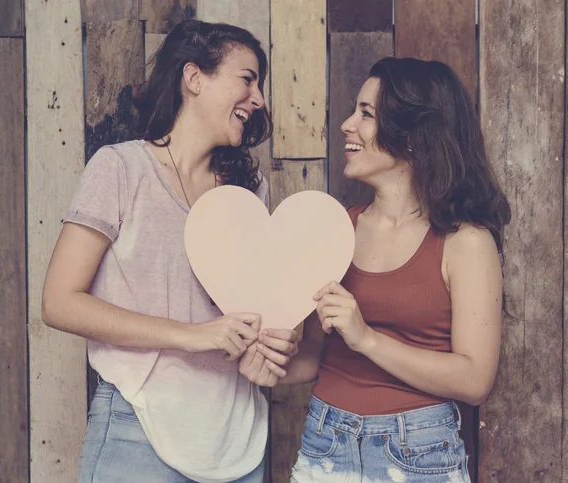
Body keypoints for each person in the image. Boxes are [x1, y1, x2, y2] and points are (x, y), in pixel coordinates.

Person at [42, 19, 298, 483]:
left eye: (260, 85)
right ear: (194, 77)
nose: (258, 98)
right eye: (247, 78)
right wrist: (193, 334)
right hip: (137, 431)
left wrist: (274, 344)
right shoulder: (120, 168)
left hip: (238, 442)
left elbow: (254, 312)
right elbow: (59, 302)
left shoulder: (249, 189)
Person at [259, 57, 511, 482]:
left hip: (418, 452)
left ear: (413, 137)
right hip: (326, 441)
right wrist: (263, 360)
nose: (346, 124)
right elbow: (311, 360)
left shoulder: (465, 242)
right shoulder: (338, 228)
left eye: (366, 114)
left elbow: (474, 379)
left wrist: (367, 339)